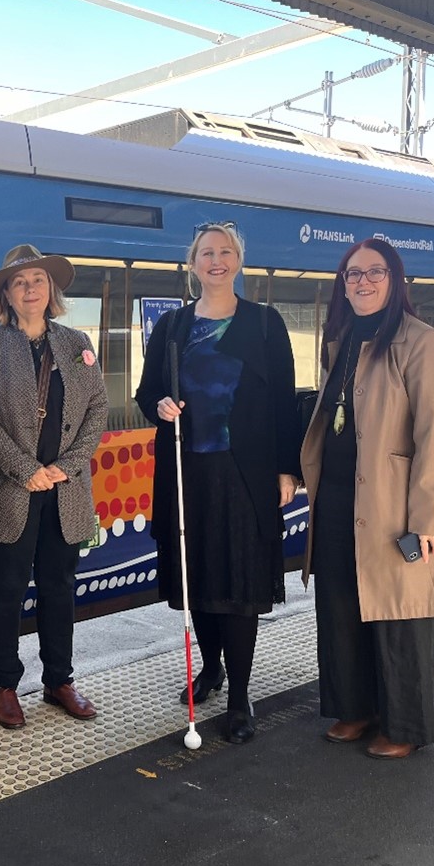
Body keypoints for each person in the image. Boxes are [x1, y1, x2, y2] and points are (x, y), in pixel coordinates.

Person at [300, 238, 434, 759]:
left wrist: (428, 520)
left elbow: (433, 439)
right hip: (336, 498)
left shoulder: (424, 344)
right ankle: (355, 708)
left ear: (396, 281)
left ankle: (404, 724)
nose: (362, 282)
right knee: (341, 604)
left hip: (395, 504)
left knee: (400, 614)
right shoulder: (343, 340)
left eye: (374, 272)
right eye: (352, 275)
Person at [135, 222, 299, 744]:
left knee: (241, 588)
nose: (217, 260)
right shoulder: (173, 327)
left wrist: (287, 470)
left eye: (226, 251)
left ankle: (241, 694)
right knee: (198, 581)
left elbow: (284, 404)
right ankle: (212, 668)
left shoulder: (266, 324)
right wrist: (159, 406)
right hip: (190, 475)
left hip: (244, 476)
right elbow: (146, 393)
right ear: (193, 263)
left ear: (239, 260)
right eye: (207, 253)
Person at [0, 245, 109, 729]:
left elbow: (97, 409)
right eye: (21, 282)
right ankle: (5, 685)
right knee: (5, 589)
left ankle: (58, 680)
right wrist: (24, 468)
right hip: (11, 489)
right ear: (7, 293)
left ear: (52, 291)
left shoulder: (75, 342)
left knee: (59, 587)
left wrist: (67, 465)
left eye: (39, 280)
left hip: (65, 490)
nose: (31, 289)